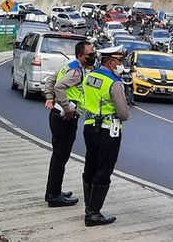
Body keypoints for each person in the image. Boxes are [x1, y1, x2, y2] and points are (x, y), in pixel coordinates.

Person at [81, 45, 131, 227]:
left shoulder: (90, 76)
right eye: (119, 62)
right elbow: (124, 114)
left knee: (90, 165)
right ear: (111, 63)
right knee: (104, 169)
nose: (121, 65)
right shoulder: (114, 83)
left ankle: (89, 207)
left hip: (89, 127)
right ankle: (93, 213)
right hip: (108, 130)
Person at [42, 40, 95, 207]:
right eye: (89, 55)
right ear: (80, 56)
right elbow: (58, 86)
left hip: (57, 115)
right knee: (60, 157)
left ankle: (54, 191)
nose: (93, 57)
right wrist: (67, 107)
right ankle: (54, 195)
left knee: (59, 157)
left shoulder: (69, 65)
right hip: (65, 117)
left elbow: (50, 80)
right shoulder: (76, 71)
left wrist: (50, 98)